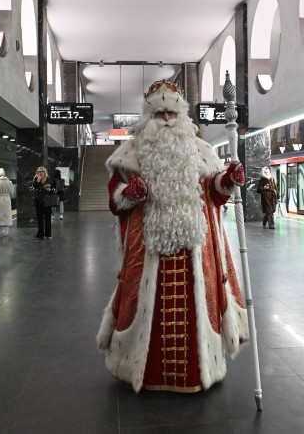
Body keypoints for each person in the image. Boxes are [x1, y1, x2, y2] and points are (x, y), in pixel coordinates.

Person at [96, 80, 249, 394]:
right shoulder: (130, 155)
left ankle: (197, 372)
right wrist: (129, 193)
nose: (166, 119)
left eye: (171, 113)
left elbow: (213, 191)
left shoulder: (200, 152)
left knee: (197, 308)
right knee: (144, 307)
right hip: (147, 251)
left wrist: (228, 179)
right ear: (149, 117)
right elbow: (114, 199)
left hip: (195, 251)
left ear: (181, 116)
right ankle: (141, 369)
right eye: (159, 113)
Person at [30, 166, 56, 239]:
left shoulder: (49, 180)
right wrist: (38, 181)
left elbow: (55, 191)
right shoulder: (35, 180)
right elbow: (32, 190)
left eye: (42, 171)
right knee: (40, 219)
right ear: (37, 173)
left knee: (47, 218)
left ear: (45, 172)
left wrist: (50, 190)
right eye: (39, 171)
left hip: (47, 201)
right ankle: (40, 234)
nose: (41, 173)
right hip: (39, 201)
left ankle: (48, 235)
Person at [0, 168, 14, 236]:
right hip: (7, 200)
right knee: (6, 216)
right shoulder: (9, 182)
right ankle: (5, 232)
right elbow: (12, 192)